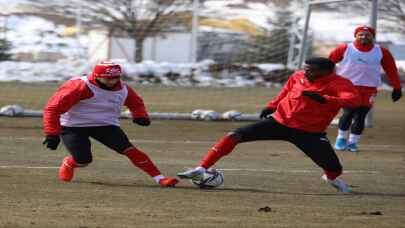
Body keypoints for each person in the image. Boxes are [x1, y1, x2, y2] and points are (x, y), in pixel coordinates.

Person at [177, 57, 360, 193]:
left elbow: (353, 100)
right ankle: (201, 169)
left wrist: (325, 99)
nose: (305, 72)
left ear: (325, 72)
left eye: (310, 70)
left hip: (309, 132)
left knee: (334, 168)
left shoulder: (339, 83)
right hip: (279, 121)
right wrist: (272, 106)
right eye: (305, 68)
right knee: (234, 135)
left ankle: (331, 179)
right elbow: (285, 92)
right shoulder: (298, 77)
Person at [42, 60, 178, 187]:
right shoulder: (79, 87)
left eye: (116, 78)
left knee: (130, 150)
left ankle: (160, 178)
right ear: (96, 76)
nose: (112, 82)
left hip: (105, 125)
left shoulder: (123, 89)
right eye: (108, 79)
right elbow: (52, 109)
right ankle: (69, 163)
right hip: (73, 126)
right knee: (83, 160)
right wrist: (52, 134)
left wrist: (140, 116)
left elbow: (135, 102)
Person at [329, 25, 402, 152]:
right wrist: (326, 82)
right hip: (348, 87)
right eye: (360, 34)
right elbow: (328, 63)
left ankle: (353, 142)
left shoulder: (382, 52)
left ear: (372, 37)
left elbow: (391, 70)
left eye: (367, 35)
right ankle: (341, 139)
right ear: (355, 36)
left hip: (369, 89)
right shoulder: (345, 48)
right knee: (348, 113)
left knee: (361, 116)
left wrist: (397, 88)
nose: (364, 37)